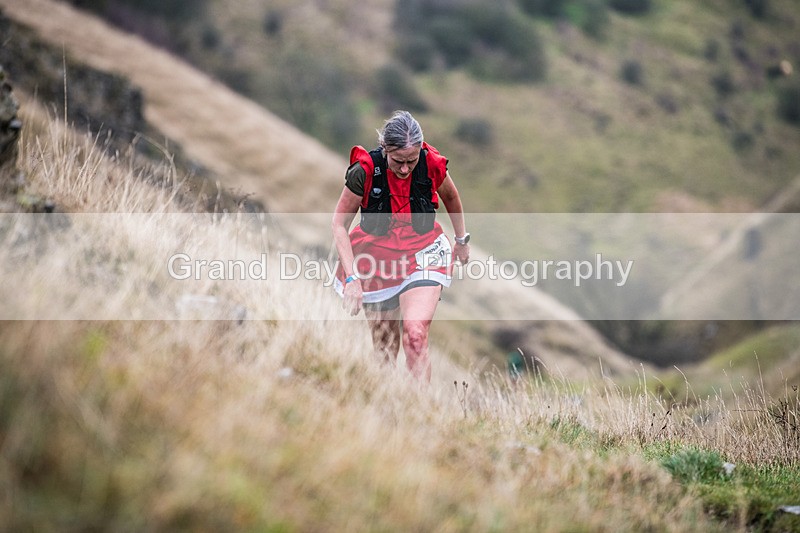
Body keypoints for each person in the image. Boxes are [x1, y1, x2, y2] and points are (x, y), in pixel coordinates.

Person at [332, 110, 469, 381]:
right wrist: (351, 279)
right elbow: (339, 224)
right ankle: (388, 402)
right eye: (398, 161)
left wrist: (461, 240)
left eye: (411, 161)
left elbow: (452, 197)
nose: (405, 169)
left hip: (424, 252)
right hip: (377, 260)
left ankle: (422, 404)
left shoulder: (432, 164)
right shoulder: (364, 171)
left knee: (415, 336)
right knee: (384, 349)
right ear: (385, 149)